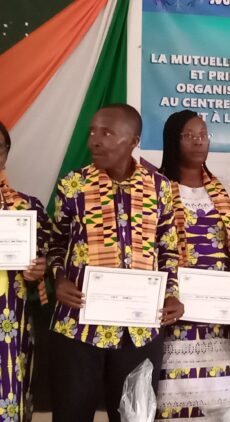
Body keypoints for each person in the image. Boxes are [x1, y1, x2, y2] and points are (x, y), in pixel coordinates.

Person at [49, 104, 184, 422]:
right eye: (92, 132)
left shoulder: (159, 187)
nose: (94, 141)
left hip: (139, 329)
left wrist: (172, 294)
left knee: (134, 416)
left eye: (107, 133)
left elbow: (168, 248)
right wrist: (59, 279)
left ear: (133, 140)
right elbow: (55, 243)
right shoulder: (73, 185)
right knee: (71, 414)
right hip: (79, 325)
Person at [155, 110, 230, 419]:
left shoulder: (224, 189)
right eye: (189, 136)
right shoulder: (157, 187)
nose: (198, 142)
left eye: (203, 135)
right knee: (176, 391)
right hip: (176, 306)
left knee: (217, 394)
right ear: (172, 140)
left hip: (218, 311)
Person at [0, 121, 49, 422]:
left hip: (9, 325)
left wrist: (38, 271)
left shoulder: (28, 209)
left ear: (6, 154)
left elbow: (45, 264)